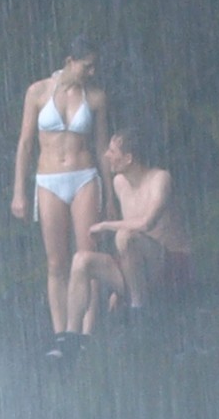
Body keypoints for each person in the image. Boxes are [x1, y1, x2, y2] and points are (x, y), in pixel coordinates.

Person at [10, 39, 110, 357]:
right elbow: (26, 143)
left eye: (95, 66)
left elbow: (103, 147)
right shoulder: (38, 92)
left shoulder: (95, 97)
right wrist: (18, 192)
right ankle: (61, 335)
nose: (91, 71)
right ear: (70, 60)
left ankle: (86, 333)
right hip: (48, 179)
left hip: (84, 177)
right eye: (87, 65)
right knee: (56, 262)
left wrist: (110, 197)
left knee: (87, 257)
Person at [76, 129, 189, 325]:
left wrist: (105, 225)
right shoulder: (119, 183)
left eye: (112, 151)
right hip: (142, 266)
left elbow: (146, 223)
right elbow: (130, 243)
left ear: (128, 158)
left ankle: (139, 313)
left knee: (124, 236)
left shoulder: (161, 178)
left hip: (171, 263)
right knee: (81, 260)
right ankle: (71, 338)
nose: (106, 155)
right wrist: (116, 289)